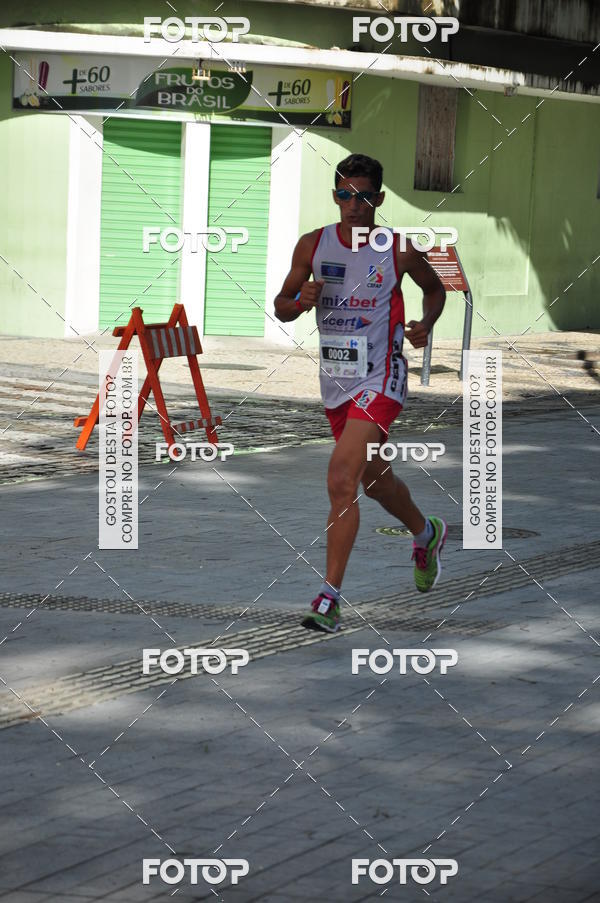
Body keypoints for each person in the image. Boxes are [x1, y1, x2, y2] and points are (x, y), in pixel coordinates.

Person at [274, 153, 447, 633]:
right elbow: (281, 304)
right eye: (347, 194)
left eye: (365, 196)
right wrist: (298, 301)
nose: (355, 204)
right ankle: (426, 531)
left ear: (380, 199)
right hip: (336, 382)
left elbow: (435, 291)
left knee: (340, 477)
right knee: (375, 482)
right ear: (335, 196)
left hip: (382, 378)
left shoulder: (398, 249)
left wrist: (424, 325)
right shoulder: (313, 245)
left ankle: (329, 599)